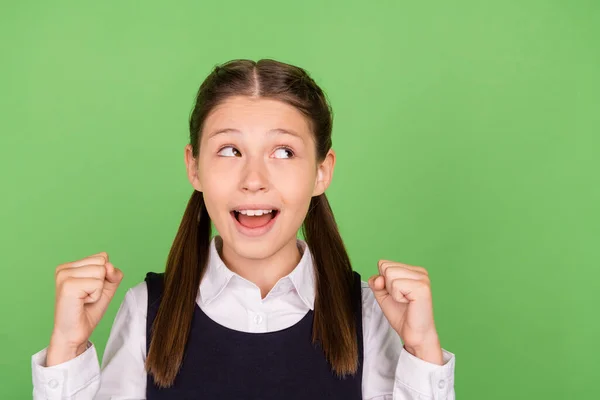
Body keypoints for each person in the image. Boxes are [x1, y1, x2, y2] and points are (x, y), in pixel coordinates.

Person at [31, 58, 456, 399]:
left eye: (284, 151)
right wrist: (67, 348)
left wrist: (421, 350)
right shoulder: (146, 311)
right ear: (194, 167)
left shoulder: (367, 314)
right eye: (230, 150)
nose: (254, 178)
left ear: (322, 172)